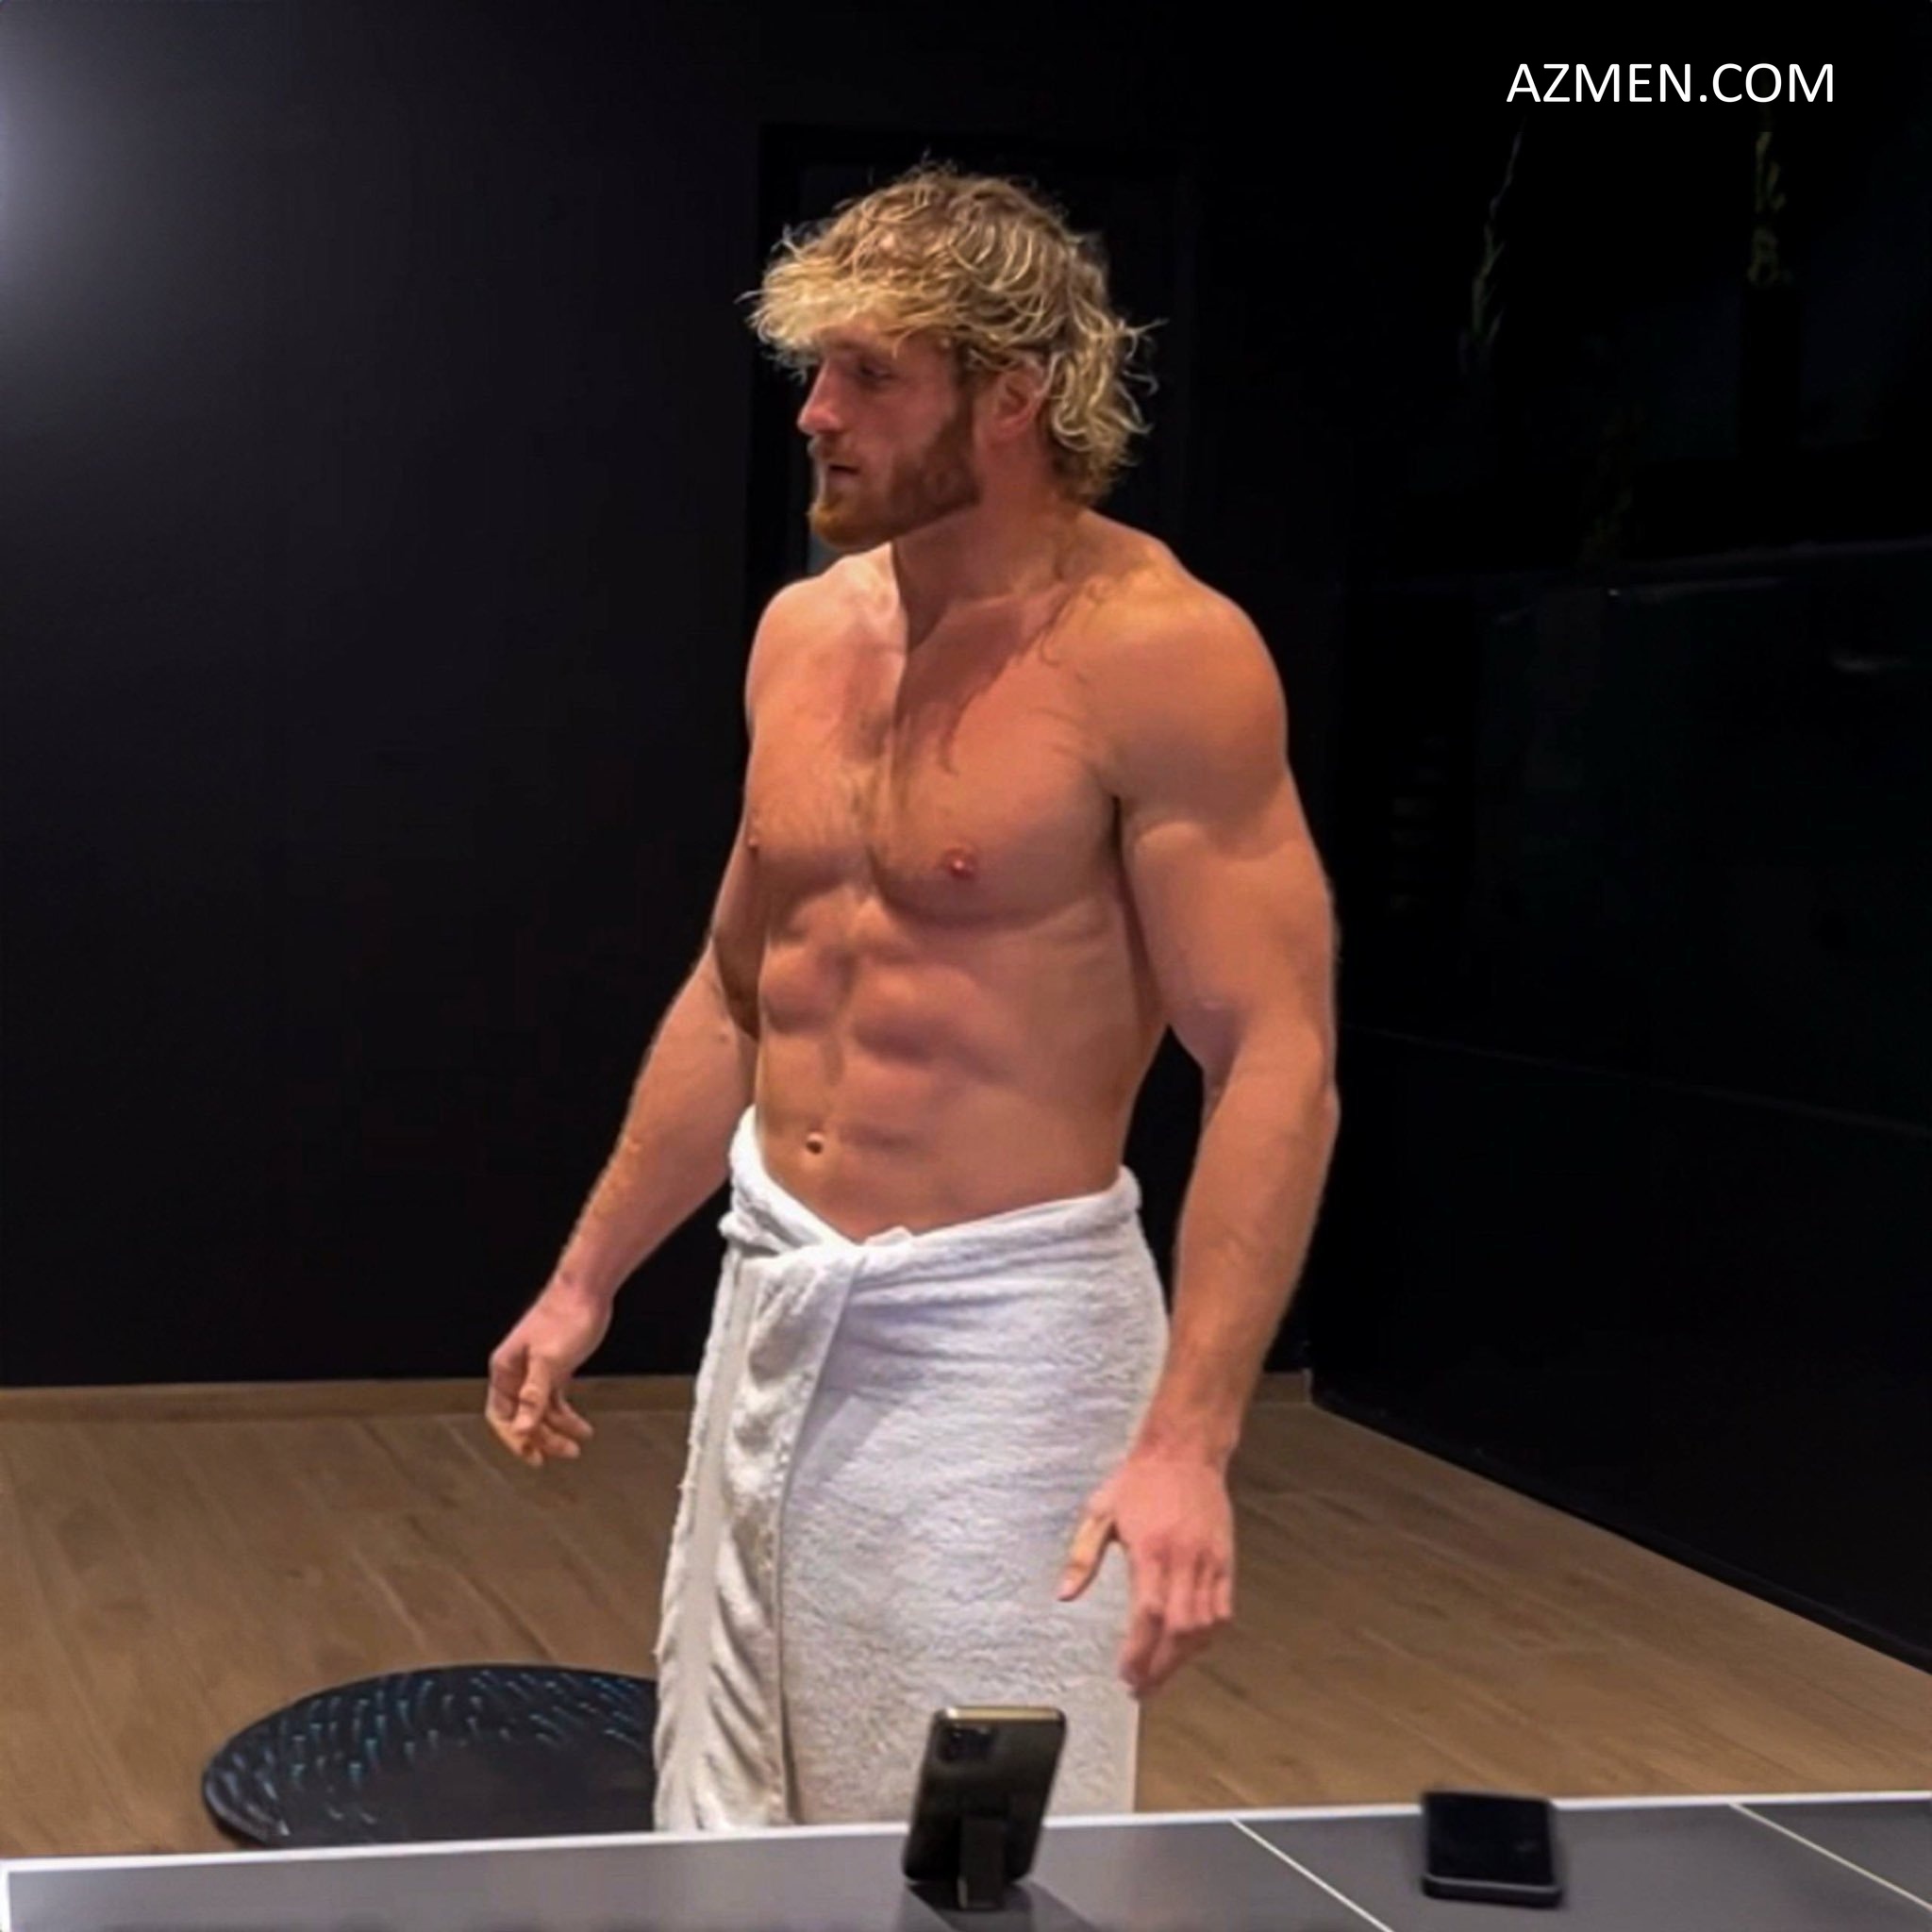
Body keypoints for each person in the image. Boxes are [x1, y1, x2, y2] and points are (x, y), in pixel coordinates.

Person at [485, 163, 1341, 1831]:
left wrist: (1189, 1440)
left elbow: (1275, 1060)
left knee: (977, 1846)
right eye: (817, 369)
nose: (816, 413)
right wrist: (588, 1278)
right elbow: (740, 990)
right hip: (780, 1295)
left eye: (870, 374)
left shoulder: (1161, 652)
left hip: (1005, 1339)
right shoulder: (803, 636)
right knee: (733, 1820)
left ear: (1011, 397)